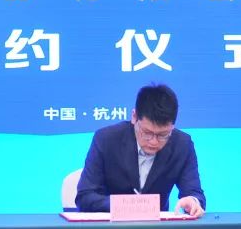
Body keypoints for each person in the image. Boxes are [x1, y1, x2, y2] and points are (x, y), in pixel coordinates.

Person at [76, 83, 206, 217]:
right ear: (134, 117)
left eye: (163, 135)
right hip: (111, 225)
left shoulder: (182, 145)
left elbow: (194, 192)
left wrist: (193, 202)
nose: (154, 142)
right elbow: (85, 197)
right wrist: (129, 206)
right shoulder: (106, 139)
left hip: (157, 228)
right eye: (147, 133)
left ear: (172, 126)